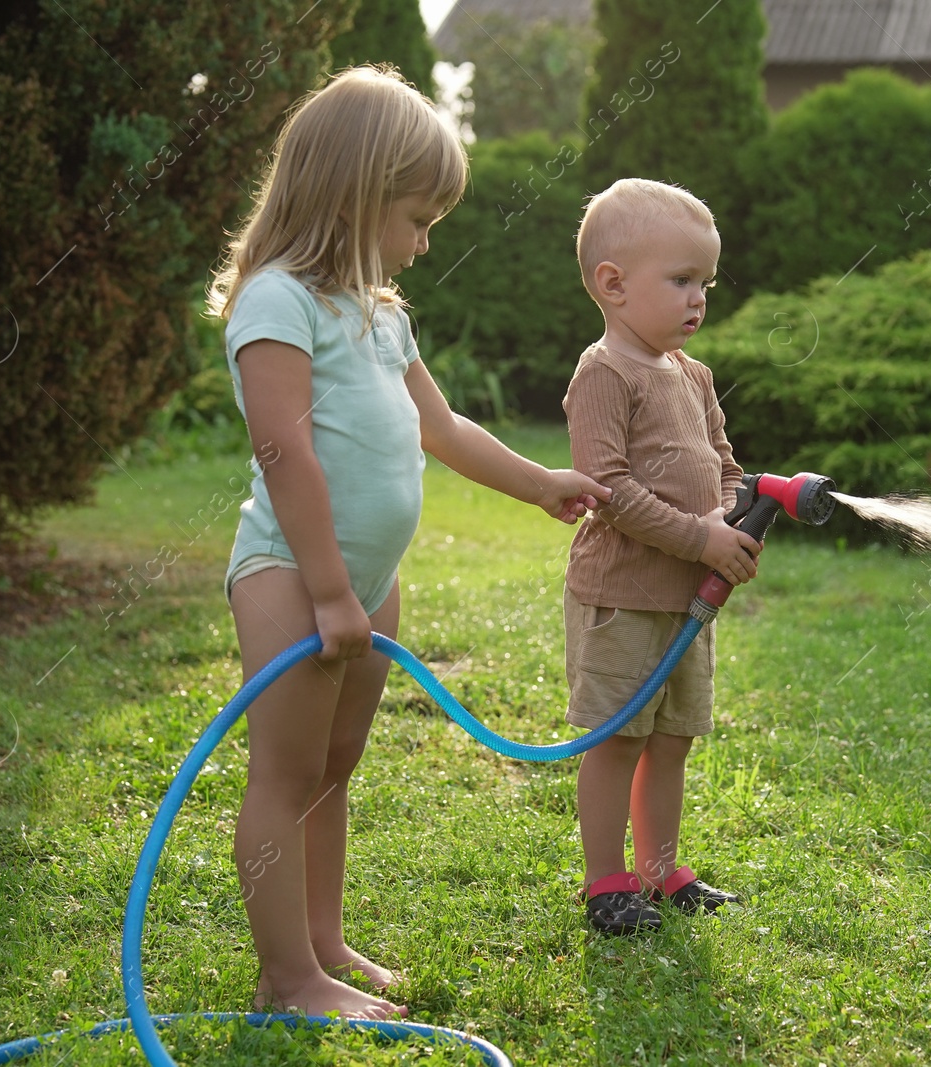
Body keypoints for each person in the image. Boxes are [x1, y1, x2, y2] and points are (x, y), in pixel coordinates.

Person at [207, 66, 612, 1019]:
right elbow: (286, 450)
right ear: (352, 196)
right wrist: (331, 590)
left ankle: (323, 939)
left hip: (365, 579)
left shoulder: (377, 312)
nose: (426, 242)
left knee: (336, 766)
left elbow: (446, 428)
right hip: (292, 577)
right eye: (418, 218)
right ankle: (288, 978)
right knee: (287, 771)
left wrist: (538, 482)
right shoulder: (279, 303)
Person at [562, 179, 760, 935]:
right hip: (623, 596)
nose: (698, 299)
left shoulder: (694, 374)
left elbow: (724, 462)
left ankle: (660, 868)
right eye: (681, 280)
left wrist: (735, 516)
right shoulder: (604, 374)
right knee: (621, 738)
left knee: (672, 736)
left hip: (687, 597)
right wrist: (701, 535)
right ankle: (608, 882)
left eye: (704, 282)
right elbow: (607, 488)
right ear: (613, 284)